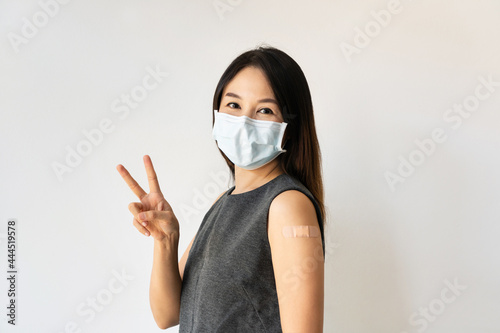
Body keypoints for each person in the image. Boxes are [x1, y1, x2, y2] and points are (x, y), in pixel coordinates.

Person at [117, 45, 326, 332]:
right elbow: (167, 314)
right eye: (233, 105)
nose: (244, 122)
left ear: (290, 126)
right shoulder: (223, 202)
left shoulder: (287, 206)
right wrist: (166, 241)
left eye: (265, 110)